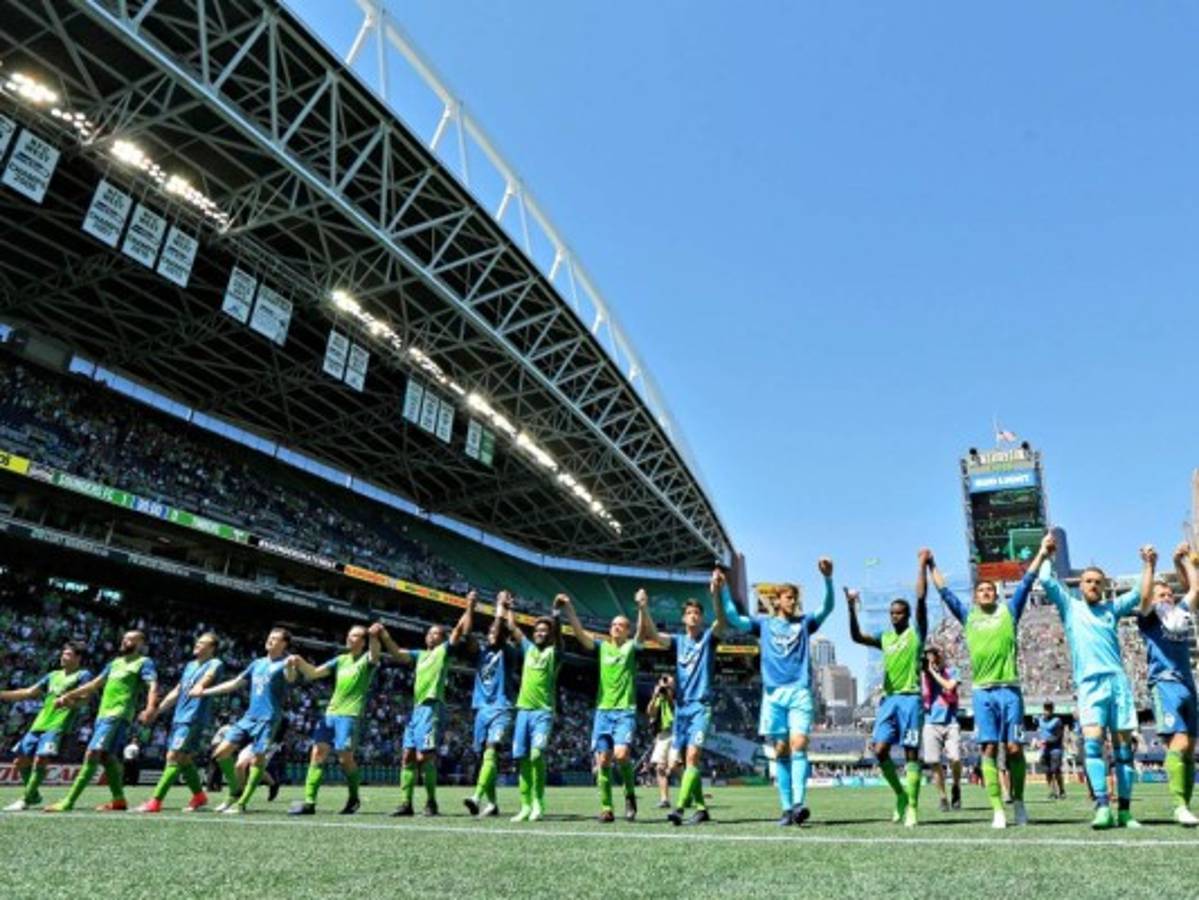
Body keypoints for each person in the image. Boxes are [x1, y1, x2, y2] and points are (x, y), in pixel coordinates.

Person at [1037, 533, 1153, 829]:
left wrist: (1149, 564)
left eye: (1097, 582)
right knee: (1092, 745)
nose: (1092, 585)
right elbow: (1048, 582)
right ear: (1081, 585)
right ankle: (1102, 807)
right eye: (1087, 581)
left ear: (1103, 587)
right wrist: (1047, 553)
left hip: (1117, 683)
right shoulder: (1071, 607)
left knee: (1123, 750)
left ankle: (1125, 811)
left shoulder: (1111, 610)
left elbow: (1141, 592)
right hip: (1089, 685)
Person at [926, 545, 1039, 828]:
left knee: (1013, 748)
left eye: (990, 590)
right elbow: (944, 592)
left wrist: (1045, 554)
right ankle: (997, 808)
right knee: (988, 748)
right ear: (975, 597)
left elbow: (1027, 582)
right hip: (982, 692)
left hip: (1009, 690)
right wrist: (931, 564)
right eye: (982, 590)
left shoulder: (1009, 612)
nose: (987, 592)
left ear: (996, 594)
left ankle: (1020, 802)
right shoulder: (968, 617)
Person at [718, 560, 835, 826]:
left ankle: (798, 803)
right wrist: (724, 590)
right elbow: (734, 619)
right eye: (788, 598)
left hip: (799, 692)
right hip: (773, 694)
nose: (793, 602)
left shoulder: (805, 624)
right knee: (781, 749)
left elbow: (827, 608)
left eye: (795, 598)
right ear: (778, 601)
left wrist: (828, 579)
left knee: (799, 744)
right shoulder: (764, 625)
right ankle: (785, 808)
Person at [644, 575, 732, 826]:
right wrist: (643, 608)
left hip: (701, 708)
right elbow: (652, 634)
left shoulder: (708, 641)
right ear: (683, 618)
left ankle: (680, 809)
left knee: (692, 757)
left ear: (700, 618)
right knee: (677, 763)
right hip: (681, 710)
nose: (693, 616)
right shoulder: (678, 641)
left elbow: (722, 621)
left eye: (697, 613)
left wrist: (715, 593)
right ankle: (702, 808)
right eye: (689, 613)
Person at [848, 551, 928, 827]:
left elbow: (921, 599)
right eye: (892, 613)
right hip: (890, 700)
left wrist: (921, 567)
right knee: (880, 751)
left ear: (907, 615)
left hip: (911, 699)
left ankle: (914, 807)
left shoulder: (916, 632)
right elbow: (857, 637)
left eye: (899, 613)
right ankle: (901, 795)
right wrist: (850, 607)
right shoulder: (885, 637)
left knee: (910, 753)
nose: (895, 617)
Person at [559, 591, 650, 822]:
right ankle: (607, 808)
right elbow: (579, 633)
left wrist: (641, 607)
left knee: (621, 755)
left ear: (627, 630)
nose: (616, 627)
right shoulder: (602, 647)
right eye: (613, 625)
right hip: (603, 712)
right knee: (603, 761)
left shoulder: (630, 648)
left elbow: (642, 633)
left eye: (621, 625)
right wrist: (569, 609)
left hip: (625, 711)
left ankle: (630, 794)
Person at [374, 605, 472, 817]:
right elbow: (398, 654)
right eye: (429, 633)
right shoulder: (419, 655)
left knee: (424, 757)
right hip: (416, 710)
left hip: (432, 707)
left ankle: (431, 802)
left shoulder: (443, 652)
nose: (431, 636)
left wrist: (470, 607)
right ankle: (406, 804)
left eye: (435, 633)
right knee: (407, 756)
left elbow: (458, 631)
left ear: (442, 638)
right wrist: (384, 635)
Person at [44, 631, 159, 813]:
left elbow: (152, 685)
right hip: (103, 715)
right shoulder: (114, 664)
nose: (124, 640)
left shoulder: (143, 663)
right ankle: (119, 800)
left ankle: (68, 801)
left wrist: (150, 707)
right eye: (124, 637)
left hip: (117, 714)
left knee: (92, 753)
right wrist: (69, 695)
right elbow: (95, 684)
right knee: (107, 757)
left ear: (140, 643)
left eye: (129, 639)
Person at [195, 627, 297, 814]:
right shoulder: (257, 663)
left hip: (268, 719)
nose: (270, 640)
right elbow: (235, 683)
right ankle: (236, 791)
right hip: (249, 717)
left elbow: (290, 679)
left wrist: (290, 666)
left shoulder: (285, 663)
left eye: (275, 639)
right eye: (270, 637)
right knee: (220, 754)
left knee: (256, 761)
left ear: (284, 644)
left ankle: (241, 804)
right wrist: (204, 692)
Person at [287, 623, 381, 815]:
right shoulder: (340, 660)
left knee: (344, 758)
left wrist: (374, 637)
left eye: (355, 636)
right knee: (317, 753)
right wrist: (299, 662)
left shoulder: (366, 661)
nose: (349, 638)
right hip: (330, 713)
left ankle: (354, 797)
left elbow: (375, 654)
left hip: (350, 715)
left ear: (363, 642)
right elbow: (313, 673)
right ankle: (309, 802)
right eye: (349, 635)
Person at [1137, 542, 1199, 826]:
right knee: (1180, 742)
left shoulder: (1179, 614)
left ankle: (1185, 804)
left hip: (1188, 684)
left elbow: (1195, 589)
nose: (1167, 596)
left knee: (1190, 748)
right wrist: (1149, 565)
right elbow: (1145, 596)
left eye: (1169, 593)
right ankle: (1179, 805)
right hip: (1165, 683)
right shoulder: (1150, 618)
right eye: (1162, 594)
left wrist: (1184, 561)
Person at [135, 632, 224, 813]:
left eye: (202, 643)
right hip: (179, 718)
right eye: (197, 641)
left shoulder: (215, 663)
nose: (197, 644)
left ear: (212, 648)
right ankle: (199, 796)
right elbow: (177, 691)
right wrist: (157, 711)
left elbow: (209, 677)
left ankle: (155, 801)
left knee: (173, 757)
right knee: (184, 759)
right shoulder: (190, 666)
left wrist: (201, 686)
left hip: (194, 718)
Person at [0, 641, 92, 811]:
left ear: (78, 657)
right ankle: (34, 795)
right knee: (20, 762)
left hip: (58, 725)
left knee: (41, 758)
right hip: (39, 723)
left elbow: (85, 698)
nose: (63, 656)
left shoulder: (83, 675)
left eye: (68, 654)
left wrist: (68, 700)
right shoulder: (52, 675)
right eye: (63, 653)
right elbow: (28, 692)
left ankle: (26, 799)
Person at [506, 595, 565, 823]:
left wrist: (556, 614)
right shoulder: (528, 649)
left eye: (544, 631)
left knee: (537, 754)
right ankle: (525, 805)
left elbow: (559, 638)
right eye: (537, 630)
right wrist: (509, 607)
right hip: (523, 711)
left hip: (543, 711)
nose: (540, 633)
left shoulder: (554, 653)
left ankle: (539, 803)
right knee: (521, 758)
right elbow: (512, 627)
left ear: (549, 635)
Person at [462, 590, 520, 818]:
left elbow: (504, 629)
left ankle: (476, 797)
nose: (492, 633)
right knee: (486, 757)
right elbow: (466, 635)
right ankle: (493, 804)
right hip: (482, 709)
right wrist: (470, 607)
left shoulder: (509, 653)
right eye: (489, 631)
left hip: (502, 707)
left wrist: (501, 608)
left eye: (496, 631)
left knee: (492, 749)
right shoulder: (481, 653)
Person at [920, 646, 963, 813]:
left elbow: (949, 686)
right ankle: (943, 797)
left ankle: (957, 787)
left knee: (956, 758)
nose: (933, 661)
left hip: (951, 721)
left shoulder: (952, 671)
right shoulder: (923, 675)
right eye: (929, 658)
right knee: (933, 762)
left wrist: (933, 672)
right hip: (930, 722)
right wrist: (926, 670)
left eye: (935, 657)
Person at [646, 674, 678, 810]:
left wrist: (668, 692)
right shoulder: (659, 697)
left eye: (668, 683)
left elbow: (674, 706)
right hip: (663, 734)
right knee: (659, 767)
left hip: (677, 732)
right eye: (663, 683)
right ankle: (664, 799)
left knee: (677, 766)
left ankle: (692, 794)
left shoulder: (677, 695)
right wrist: (655, 696)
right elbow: (650, 712)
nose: (665, 685)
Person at [1035, 702, 1066, 801]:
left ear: (1052, 710)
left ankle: (1061, 790)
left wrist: (1046, 741)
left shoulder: (1057, 721)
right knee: (1047, 772)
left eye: (1049, 709)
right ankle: (1052, 791)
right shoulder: (1040, 720)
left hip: (1055, 750)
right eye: (1045, 709)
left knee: (1056, 770)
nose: (1047, 711)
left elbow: (1058, 736)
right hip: (1044, 750)